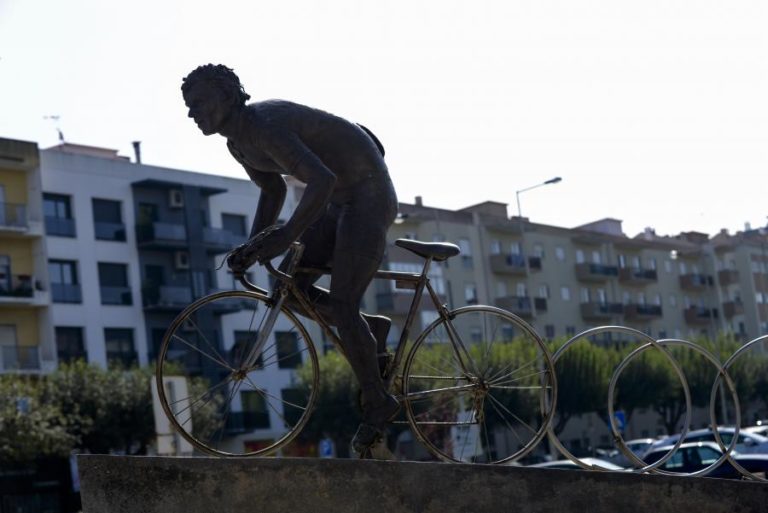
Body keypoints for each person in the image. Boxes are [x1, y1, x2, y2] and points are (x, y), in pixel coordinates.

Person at [181, 64, 399, 451]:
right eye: (188, 106)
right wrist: (251, 246)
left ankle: (379, 403)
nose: (192, 113)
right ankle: (371, 331)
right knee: (290, 288)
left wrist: (285, 235)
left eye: (199, 102)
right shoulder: (237, 142)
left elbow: (323, 179)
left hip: (367, 196)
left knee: (343, 305)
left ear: (228, 95)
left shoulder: (263, 124)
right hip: (336, 204)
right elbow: (272, 192)